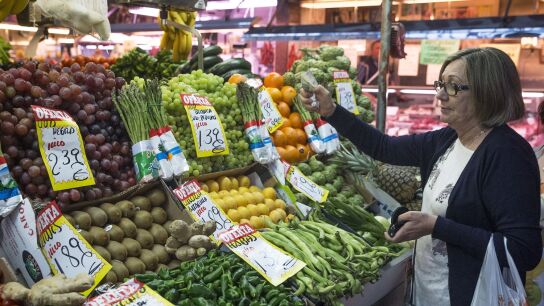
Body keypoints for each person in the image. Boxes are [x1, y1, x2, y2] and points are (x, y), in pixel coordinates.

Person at [300, 47, 542, 305]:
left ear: (487, 92)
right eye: (441, 84)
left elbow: (523, 251)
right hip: (429, 291)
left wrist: (437, 226)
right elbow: (384, 147)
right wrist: (331, 110)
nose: (439, 94)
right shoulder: (448, 139)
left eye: (453, 87)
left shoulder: (508, 155)